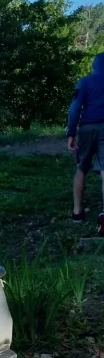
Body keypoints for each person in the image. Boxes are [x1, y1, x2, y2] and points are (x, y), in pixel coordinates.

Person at [68, 52, 104, 236]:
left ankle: (77, 212)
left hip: (87, 127)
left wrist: (71, 133)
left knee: (82, 168)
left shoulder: (85, 82)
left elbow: (75, 108)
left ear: (94, 66)